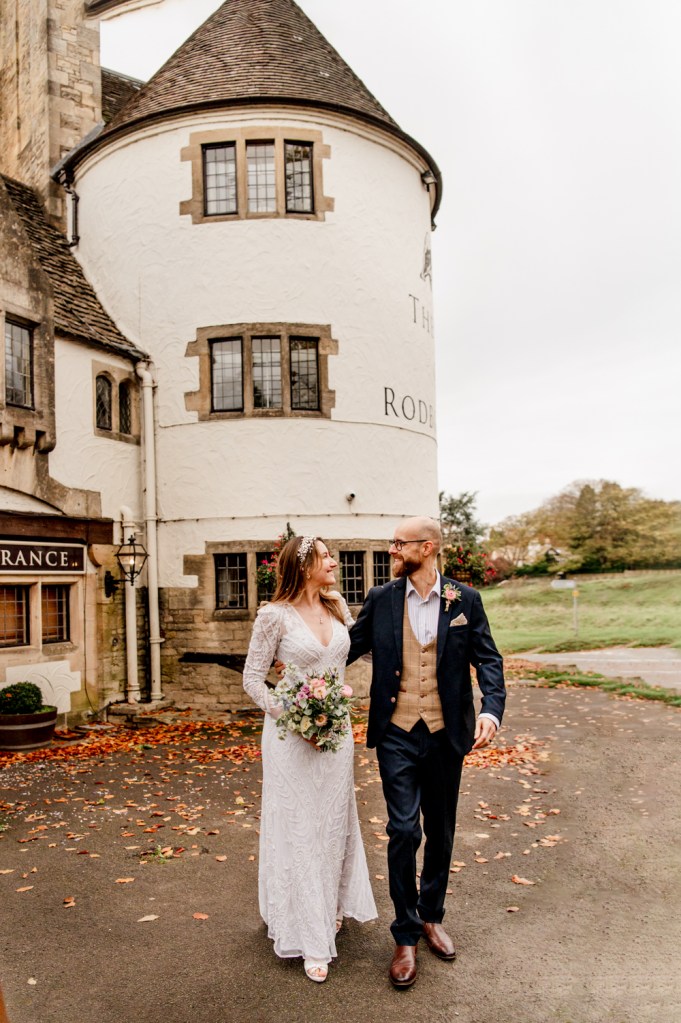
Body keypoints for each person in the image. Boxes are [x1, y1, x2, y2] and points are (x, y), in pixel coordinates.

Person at [347, 516, 506, 988]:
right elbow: (347, 648)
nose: (393, 550)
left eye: (400, 543)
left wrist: (490, 711)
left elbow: (489, 660)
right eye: (393, 543)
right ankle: (405, 934)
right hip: (396, 730)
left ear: (428, 547)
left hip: (445, 734)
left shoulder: (465, 601)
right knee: (402, 829)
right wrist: (296, 658)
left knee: (440, 828)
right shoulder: (381, 599)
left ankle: (432, 915)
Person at [242, 535, 377, 983]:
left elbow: (348, 659)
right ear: (303, 567)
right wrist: (294, 716)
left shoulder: (338, 607)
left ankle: (330, 906)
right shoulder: (272, 616)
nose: (335, 562)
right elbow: (253, 680)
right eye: (326, 558)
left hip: (336, 734)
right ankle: (309, 934)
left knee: (333, 822)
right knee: (299, 825)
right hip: (290, 738)